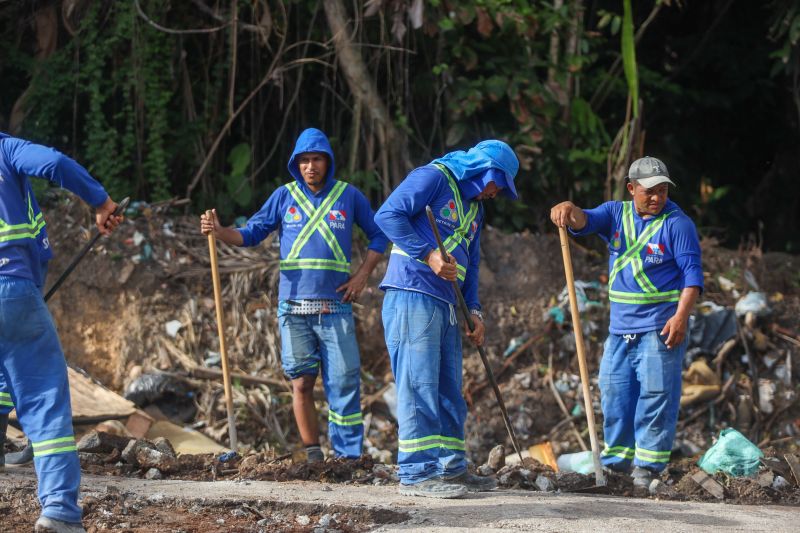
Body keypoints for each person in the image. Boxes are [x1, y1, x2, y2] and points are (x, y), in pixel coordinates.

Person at [200, 128, 388, 461]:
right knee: (301, 383)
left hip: (336, 307)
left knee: (344, 385)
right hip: (293, 308)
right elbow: (252, 233)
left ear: (327, 162)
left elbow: (378, 236)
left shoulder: (349, 196)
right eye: (304, 161)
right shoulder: (284, 197)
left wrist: (361, 276)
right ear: (296, 164)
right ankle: (313, 455)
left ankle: (347, 458)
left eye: (316, 159)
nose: (310, 167)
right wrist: (220, 231)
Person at [374, 140, 520, 498]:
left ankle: (451, 468)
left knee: (449, 390)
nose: (496, 193)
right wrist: (428, 255)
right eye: (498, 184)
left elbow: (471, 263)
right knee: (418, 384)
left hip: (447, 304)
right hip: (412, 292)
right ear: (486, 171)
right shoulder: (434, 178)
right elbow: (387, 215)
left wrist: (474, 311)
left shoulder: (476, 210)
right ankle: (416, 473)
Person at [550, 156, 703, 491]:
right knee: (615, 396)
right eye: (649, 191)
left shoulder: (677, 225)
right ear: (632, 188)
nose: (656, 197)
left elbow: (692, 279)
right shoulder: (616, 213)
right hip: (619, 330)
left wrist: (680, 317)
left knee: (655, 396)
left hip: (659, 327)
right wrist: (567, 208)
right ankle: (615, 464)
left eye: (662, 191)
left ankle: (647, 469)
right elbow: (583, 220)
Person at [0, 132, 122, 533]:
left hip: (18, 292)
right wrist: (102, 202)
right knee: (45, 400)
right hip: (11, 288)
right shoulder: (7, 149)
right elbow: (52, 163)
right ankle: (59, 509)